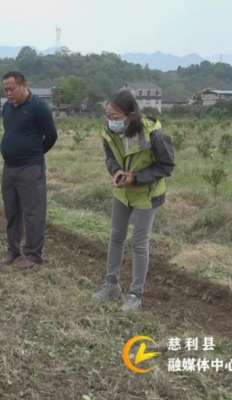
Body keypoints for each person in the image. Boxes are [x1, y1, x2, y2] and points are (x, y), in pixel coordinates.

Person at [92, 90, 175, 311]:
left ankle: (136, 295)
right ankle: (111, 284)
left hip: (146, 195)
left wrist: (136, 178)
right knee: (116, 237)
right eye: (108, 115)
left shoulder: (154, 134)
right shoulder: (108, 132)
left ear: (131, 114)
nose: (112, 121)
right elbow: (109, 157)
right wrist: (116, 171)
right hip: (122, 192)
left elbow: (167, 166)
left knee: (139, 243)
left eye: (116, 117)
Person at [0, 71, 58, 270]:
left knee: (33, 212)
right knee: (11, 210)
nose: (8, 93)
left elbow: (51, 135)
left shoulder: (38, 107)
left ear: (23, 85)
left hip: (30, 168)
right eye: (5, 89)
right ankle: (13, 250)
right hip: (9, 168)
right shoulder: (7, 108)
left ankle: (33, 254)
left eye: (11, 89)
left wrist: (35, 154)